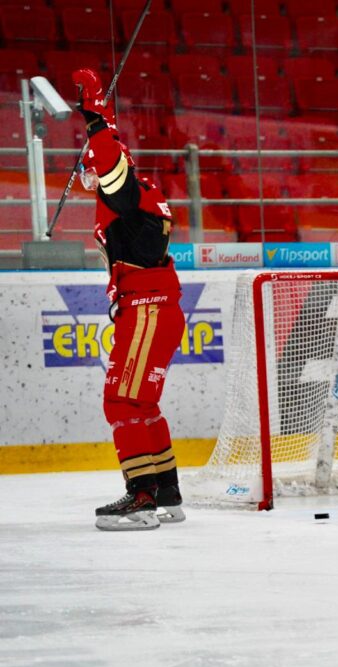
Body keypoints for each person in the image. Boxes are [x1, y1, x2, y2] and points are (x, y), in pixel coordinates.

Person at [72, 68, 186, 531]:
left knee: (120, 402)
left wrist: (95, 117)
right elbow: (115, 170)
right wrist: (101, 142)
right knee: (142, 404)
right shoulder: (139, 196)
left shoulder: (125, 192)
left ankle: (141, 497)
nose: (89, 177)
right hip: (155, 308)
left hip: (146, 309)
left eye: (91, 170)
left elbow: (112, 165)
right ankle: (166, 492)